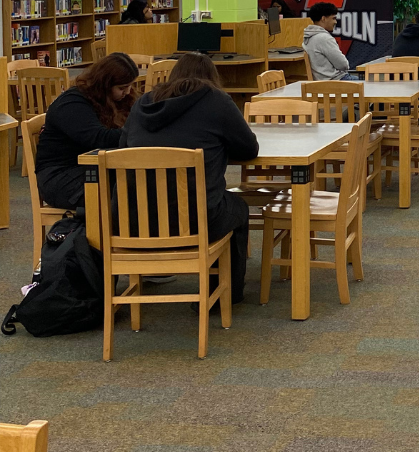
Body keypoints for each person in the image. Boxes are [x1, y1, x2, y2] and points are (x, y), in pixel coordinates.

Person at [121, 54, 258, 304]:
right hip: (197, 220)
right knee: (238, 208)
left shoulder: (142, 104)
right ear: (211, 77)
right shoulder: (217, 101)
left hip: (135, 220)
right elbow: (249, 149)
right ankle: (225, 296)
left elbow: (122, 148)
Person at [35, 53, 139, 211]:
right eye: (122, 88)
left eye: (130, 86)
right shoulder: (71, 104)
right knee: (133, 190)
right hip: (61, 177)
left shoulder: (114, 98)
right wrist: (141, 132)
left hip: (92, 167)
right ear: (104, 83)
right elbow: (99, 139)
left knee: (143, 183)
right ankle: (105, 234)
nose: (127, 92)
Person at [303, 2, 357, 80]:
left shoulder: (308, 37)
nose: (335, 22)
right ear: (323, 19)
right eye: (333, 18)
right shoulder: (324, 38)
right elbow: (343, 65)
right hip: (337, 81)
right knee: (371, 86)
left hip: (321, 83)